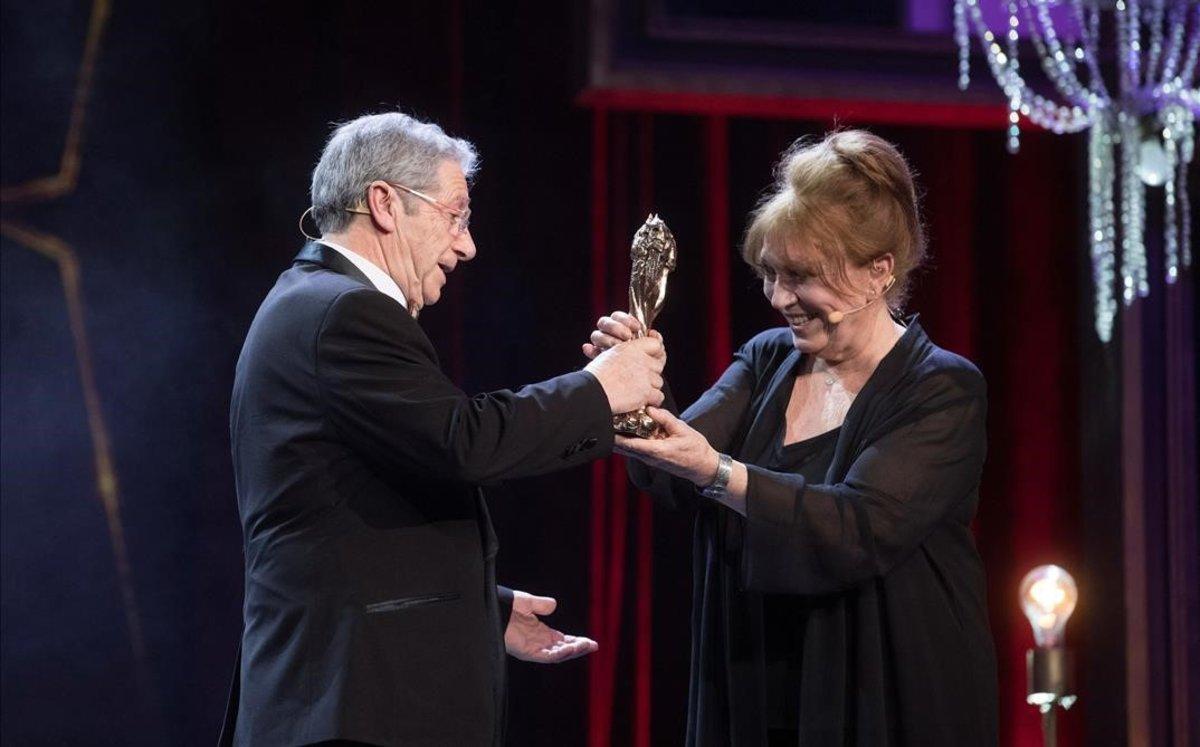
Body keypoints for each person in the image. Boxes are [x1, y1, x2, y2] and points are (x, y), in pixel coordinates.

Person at [223, 111, 666, 746]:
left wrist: (477, 602)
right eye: (455, 215)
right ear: (384, 203)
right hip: (352, 706)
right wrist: (599, 389)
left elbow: (347, 512)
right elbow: (464, 442)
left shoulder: (313, 303)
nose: (467, 245)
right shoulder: (342, 312)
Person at [585, 130, 998, 745]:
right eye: (770, 274)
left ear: (879, 271)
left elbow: (861, 527)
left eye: (801, 276)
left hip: (884, 690)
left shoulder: (941, 388)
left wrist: (720, 473)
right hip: (756, 680)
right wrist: (637, 395)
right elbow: (676, 468)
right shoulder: (767, 359)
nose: (780, 298)